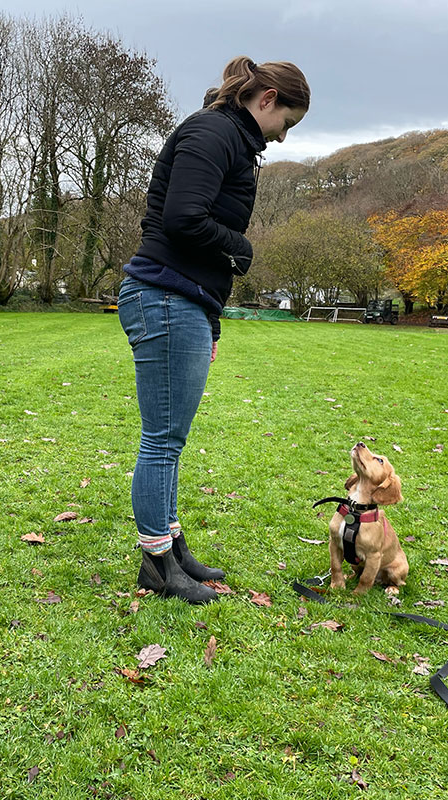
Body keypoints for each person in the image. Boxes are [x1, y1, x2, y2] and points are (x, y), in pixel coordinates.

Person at [118, 56, 310, 604]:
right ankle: (156, 564)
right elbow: (182, 219)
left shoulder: (231, 138)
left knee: (170, 441)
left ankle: (172, 547)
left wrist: (211, 324)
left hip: (185, 302)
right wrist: (240, 247)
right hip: (165, 296)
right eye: (287, 123)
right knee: (162, 440)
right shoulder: (214, 132)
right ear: (267, 98)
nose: (280, 138)